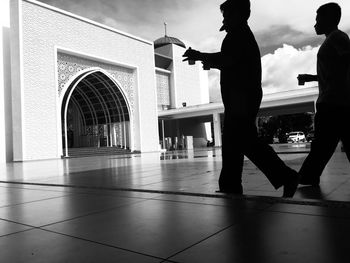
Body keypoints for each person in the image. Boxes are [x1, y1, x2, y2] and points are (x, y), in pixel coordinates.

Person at [183, 0, 299, 197]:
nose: (224, 19)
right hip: (241, 96)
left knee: (245, 141)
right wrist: (210, 61)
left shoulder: (239, 35)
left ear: (239, 15)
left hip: (241, 97)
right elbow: (232, 62)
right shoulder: (239, 35)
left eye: (227, 15)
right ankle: (230, 186)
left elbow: (228, 60)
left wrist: (201, 55)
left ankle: (286, 176)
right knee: (233, 142)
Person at [297, 2, 350, 186]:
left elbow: (346, 63)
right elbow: (332, 71)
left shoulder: (337, 38)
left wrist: (336, 86)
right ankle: (307, 176)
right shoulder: (332, 39)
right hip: (336, 102)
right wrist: (311, 77)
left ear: (328, 19)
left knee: (321, 145)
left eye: (318, 19)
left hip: (333, 103)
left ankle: (307, 176)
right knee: (323, 145)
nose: (315, 23)